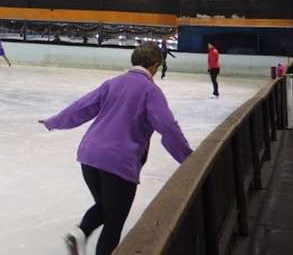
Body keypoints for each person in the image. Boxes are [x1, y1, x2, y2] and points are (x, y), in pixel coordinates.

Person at [39, 42, 192, 255]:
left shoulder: (113, 83)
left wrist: (53, 121)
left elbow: (82, 107)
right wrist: (189, 159)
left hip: (89, 156)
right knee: (114, 221)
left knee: (104, 207)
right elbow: (168, 127)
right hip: (119, 161)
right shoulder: (150, 90)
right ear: (156, 66)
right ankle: (84, 235)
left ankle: (79, 232)